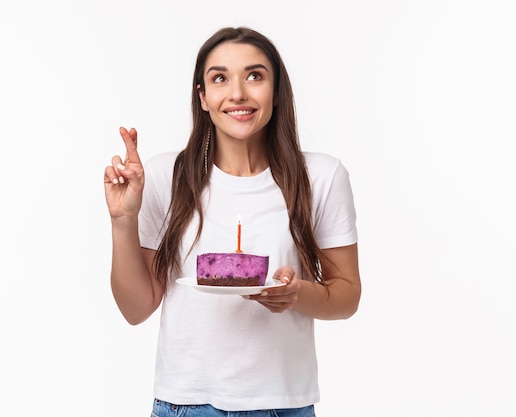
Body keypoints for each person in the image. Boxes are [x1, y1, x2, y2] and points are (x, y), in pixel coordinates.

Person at [103, 26, 361, 416]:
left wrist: (297, 295)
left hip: (283, 405)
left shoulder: (321, 176)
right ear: (203, 97)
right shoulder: (164, 176)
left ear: (276, 91)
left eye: (254, 75)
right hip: (185, 405)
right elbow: (136, 309)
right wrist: (123, 220)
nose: (238, 93)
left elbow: (347, 296)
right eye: (219, 78)